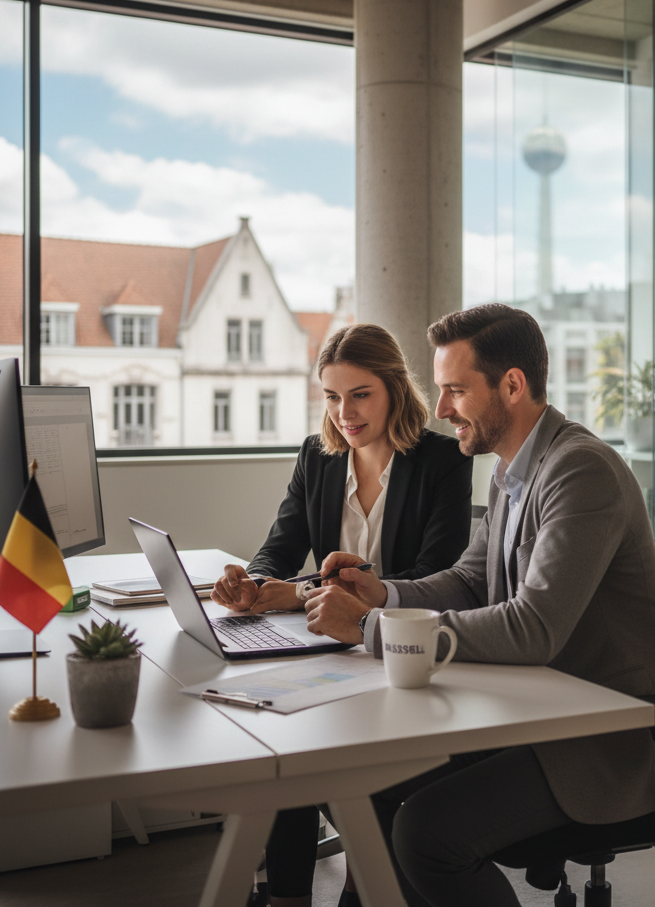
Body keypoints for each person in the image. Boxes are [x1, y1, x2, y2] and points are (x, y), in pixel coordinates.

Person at [304, 303, 655, 907]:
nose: (440, 410)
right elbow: (471, 580)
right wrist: (382, 593)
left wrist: (369, 627)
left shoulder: (580, 471)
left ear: (512, 385)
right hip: (538, 711)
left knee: (426, 834)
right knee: (361, 779)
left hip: (610, 739)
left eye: (455, 391)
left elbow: (533, 628)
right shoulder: (512, 470)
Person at [211, 322, 473, 907]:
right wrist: (253, 583)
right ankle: (288, 897)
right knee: (285, 742)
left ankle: (362, 886)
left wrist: (301, 593)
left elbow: (435, 575)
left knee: (316, 747)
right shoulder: (318, 455)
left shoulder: (443, 460)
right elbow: (280, 547)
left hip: (395, 652)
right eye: (331, 396)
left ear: (394, 389)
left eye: (360, 395)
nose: (344, 413)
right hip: (331, 648)